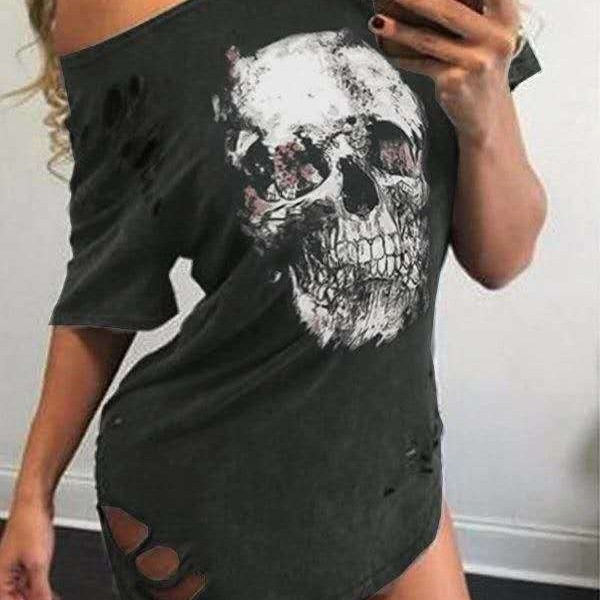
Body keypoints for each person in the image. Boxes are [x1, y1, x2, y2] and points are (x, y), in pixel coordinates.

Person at [0, 0, 547, 599]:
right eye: (294, 166)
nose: (360, 197)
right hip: (214, 502)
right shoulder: (113, 10)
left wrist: (487, 112)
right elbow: (105, 284)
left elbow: (501, 259)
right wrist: (33, 493)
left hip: (393, 466)